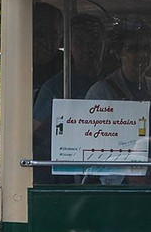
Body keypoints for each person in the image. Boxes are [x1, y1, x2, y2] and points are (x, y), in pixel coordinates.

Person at [85, 19, 151, 185]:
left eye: (146, 49)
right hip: (114, 184)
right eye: (133, 49)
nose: (141, 55)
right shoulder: (101, 92)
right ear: (119, 52)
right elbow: (92, 147)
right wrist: (126, 175)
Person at [33, 13, 107, 183]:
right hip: (64, 173)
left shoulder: (115, 82)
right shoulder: (56, 88)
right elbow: (34, 136)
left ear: (105, 43)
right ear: (68, 46)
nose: (89, 48)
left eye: (95, 41)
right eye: (81, 42)